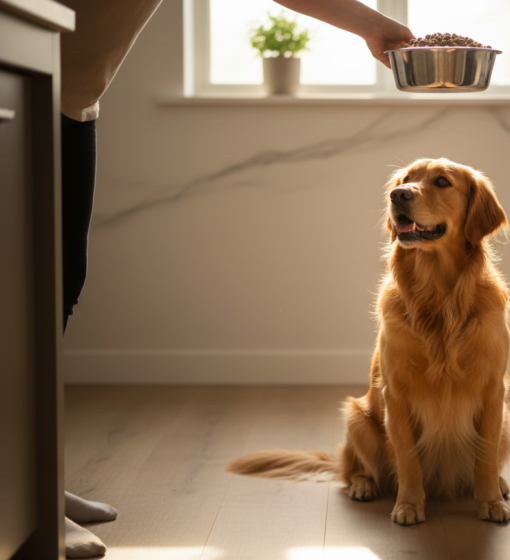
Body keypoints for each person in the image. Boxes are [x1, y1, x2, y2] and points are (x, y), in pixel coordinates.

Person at [58, 1, 413, 557]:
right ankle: (14, 495)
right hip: (18, 90)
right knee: (25, 294)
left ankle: (29, 477)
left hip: (68, 103)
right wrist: (375, 25)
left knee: (57, 283)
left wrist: (373, 25)